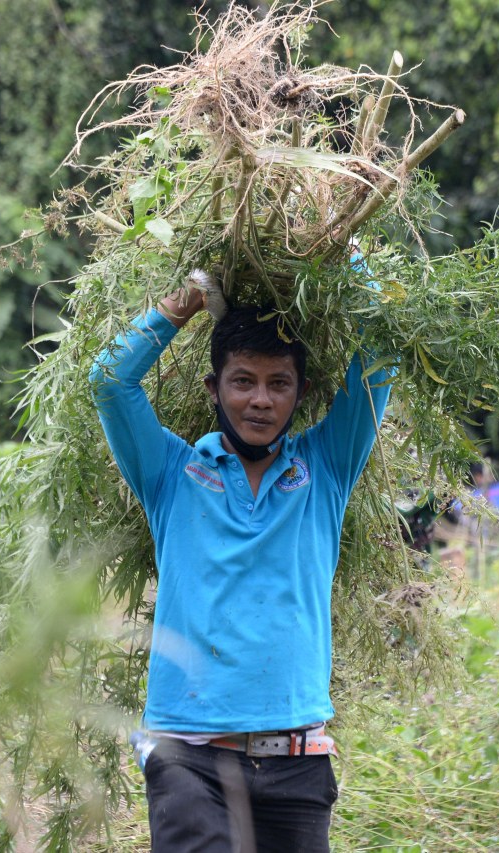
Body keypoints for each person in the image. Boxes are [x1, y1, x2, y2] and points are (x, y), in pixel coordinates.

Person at [89, 265, 393, 852]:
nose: (260, 400)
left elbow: (380, 354)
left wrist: (345, 260)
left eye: (279, 383)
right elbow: (109, 381)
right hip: (188, 759)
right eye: (242, 381)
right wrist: (186, 302)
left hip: (299, 761)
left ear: (302, 394)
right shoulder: (171, 474)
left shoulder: (325, 467)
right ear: (213, 390)